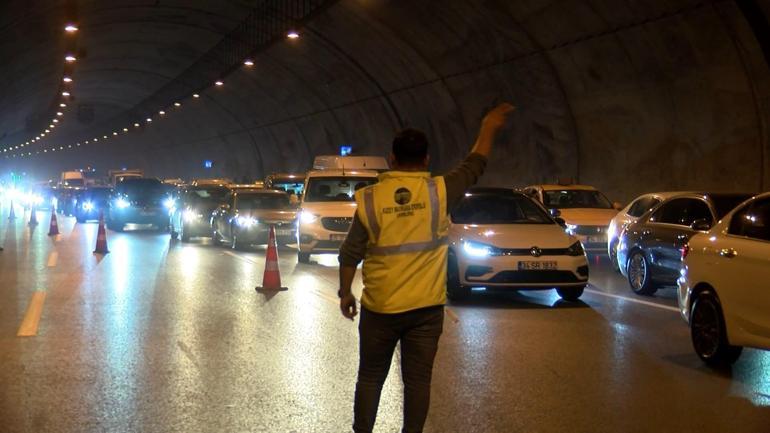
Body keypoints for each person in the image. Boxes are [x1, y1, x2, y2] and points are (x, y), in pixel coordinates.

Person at [338, 102, 515, 433]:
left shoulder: (371, 199)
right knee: (418, 382)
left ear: (392, 159)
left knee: (370, 378)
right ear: (426, 160)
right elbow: (476, 163)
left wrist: (345, 292)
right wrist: (489, 126)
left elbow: (350, 253)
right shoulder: (440, 191)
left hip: (380, 309)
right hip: (425, 310)